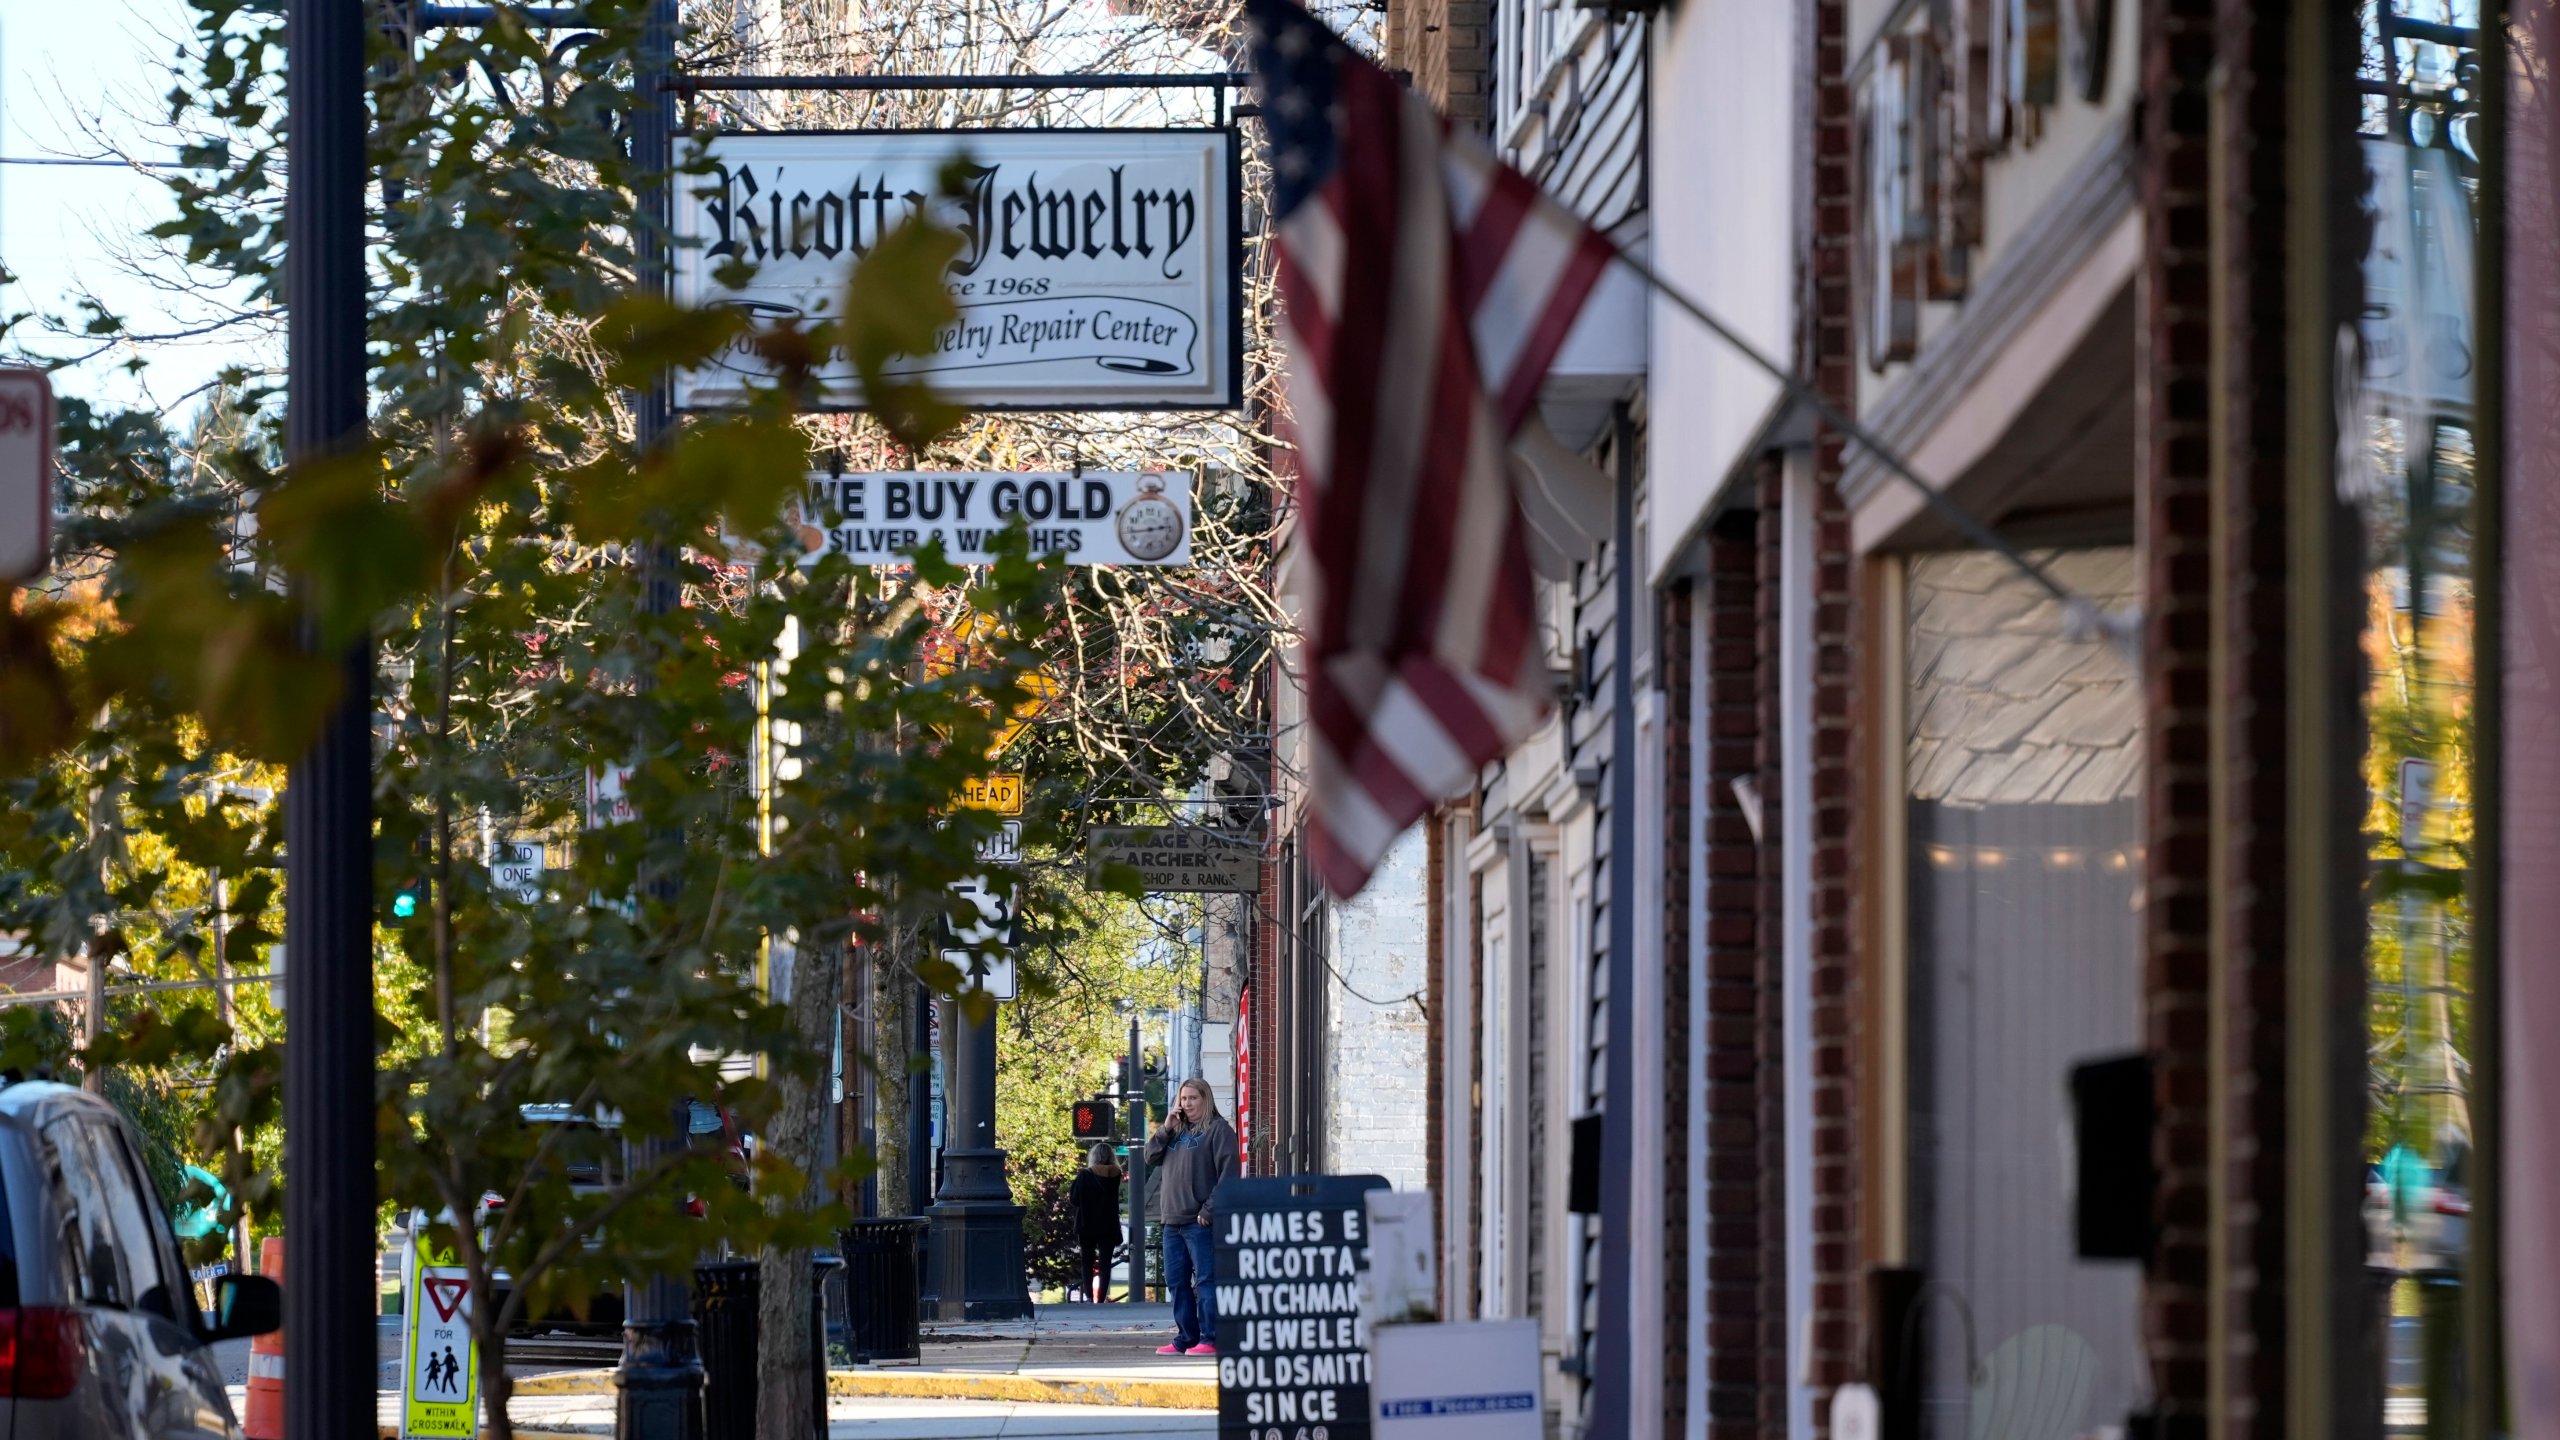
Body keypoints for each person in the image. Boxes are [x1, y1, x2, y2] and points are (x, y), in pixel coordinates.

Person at [1143, 1076, 1238, 1356]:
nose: (1187, 1104)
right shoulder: (1176, 1131)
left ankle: (1211, 1338)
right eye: (1183, 1099)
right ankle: (1186, 1337)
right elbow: (1150, 1157)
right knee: (1177, 1283)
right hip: (1171, 1222)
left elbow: (1229, 1174)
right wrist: (1166, 1127)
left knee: (1207, 1281)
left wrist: (1208, 1210)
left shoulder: (1218, 1130)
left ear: (1206, 1099)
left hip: (1200, 1222)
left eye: (1193, 1098)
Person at [1066, 1143, 1125, 1303]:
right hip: (1109, 1223)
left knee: (1087, 1261)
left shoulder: (1085, 1175)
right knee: (1105, 1263)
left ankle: (1089, 1297)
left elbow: (1074, 1199)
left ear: (1094, 1156)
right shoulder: (1116, 1174)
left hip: (1087, 1223)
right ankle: (1101, 1298)